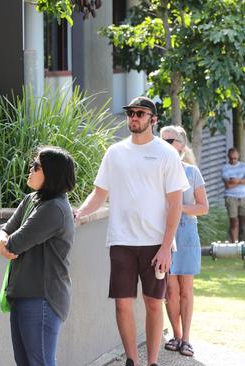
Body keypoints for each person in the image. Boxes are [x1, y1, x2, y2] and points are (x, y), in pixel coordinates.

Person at [75, 96, 189, 366]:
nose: (134, 117)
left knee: (152, 303)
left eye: (140, 113)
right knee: (122, 304)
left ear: (153, 119)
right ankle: (132, 360)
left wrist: (166, 246)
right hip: (121, 241)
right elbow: (99, 193)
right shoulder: (115, 153)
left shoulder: (166, 154)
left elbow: (176, 204)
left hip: (155, 243)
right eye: (130, 113)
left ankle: (151, 362)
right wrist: (79, 212)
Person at [0, 146, 76, 366]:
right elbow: (4, 229)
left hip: (42, 299)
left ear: (52, 173)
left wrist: (5, 243)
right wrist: (2, 239)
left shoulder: (54, 209)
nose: (30, 169)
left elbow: (14, 243)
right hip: (24, 296)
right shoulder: (32, 199)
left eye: (36, 166)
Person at [160, 126, 209, 358]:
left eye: (172, 140)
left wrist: (179, 208)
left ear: (182, 144)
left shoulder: (192, 172)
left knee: (186, 289)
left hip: (187, 234)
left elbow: (203, 207)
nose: (167, 143)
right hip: (164, 236)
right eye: (163, 140)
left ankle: (186, 339)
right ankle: (176, 336)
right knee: (170, 289)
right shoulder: (156, 171)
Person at [221, 148, 245, 242]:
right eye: (231, 158)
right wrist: (242, 180)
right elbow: (228, 185)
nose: (233, 160)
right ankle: (235, 241)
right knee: (234, 220)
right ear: (228, 157)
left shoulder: (243, 166)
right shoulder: (225, 168)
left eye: (235, 158)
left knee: (244, 220)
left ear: (238, 157)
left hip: (243, 197)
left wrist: (237, 180)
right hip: (231, 197)